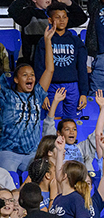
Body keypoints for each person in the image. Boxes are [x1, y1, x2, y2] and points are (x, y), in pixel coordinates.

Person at [0, 26, 55, 173]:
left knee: (43, 179)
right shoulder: (6, 95)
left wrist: (47, 40)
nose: (30, 77)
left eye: (32, 74)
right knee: (5, 187)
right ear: (16, 79)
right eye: (25, 75)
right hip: (8, 152)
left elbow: (49, 70)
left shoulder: (37, 95)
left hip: (32, 154)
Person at [34, 2, 87, 118]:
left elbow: (82, 68)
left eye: (64, 17)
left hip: (72, 86)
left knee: (71, 122)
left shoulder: (76, 41)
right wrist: (42, 93)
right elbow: (39, 68)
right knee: (53, 119)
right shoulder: (44, 41)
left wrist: (83, 93)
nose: (61, 20)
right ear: (50, 20)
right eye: (57, 17)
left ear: (68, 19)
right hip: (51, 86)